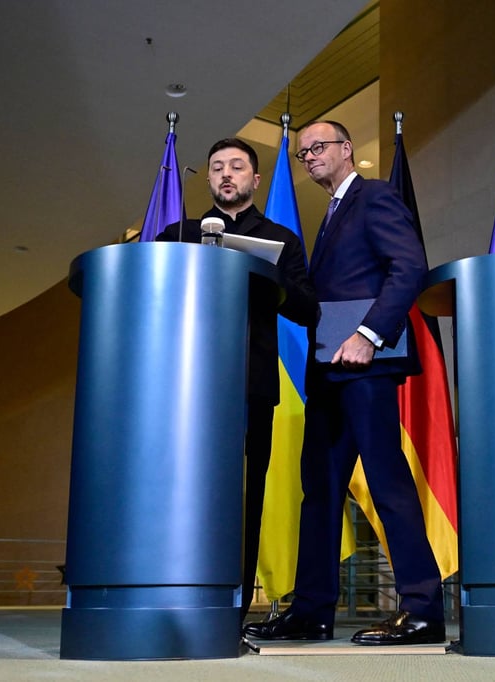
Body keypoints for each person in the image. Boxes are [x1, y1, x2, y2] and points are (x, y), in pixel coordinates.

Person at [243, 121, 445, 645]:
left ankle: (423, 609)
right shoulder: (329, 214)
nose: (308, 156)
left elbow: (409, 267)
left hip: (366, 364)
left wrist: (369, 335)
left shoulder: (374, 197)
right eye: (302, 152)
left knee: (386, 481)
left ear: (347, 149)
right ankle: (312, 611)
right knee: (321, 488)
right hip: (327, 368)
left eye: (318, 147)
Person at [156, 138, 319, 623]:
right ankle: (175, 597)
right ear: (208, 179)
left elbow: (310, 310)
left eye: (237, 167)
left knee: (246, 500)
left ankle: (234, 609)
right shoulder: (177, 234)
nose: (226, 174)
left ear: (255, 179)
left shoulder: (281, 240)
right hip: (186, 391)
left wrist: (267, 278)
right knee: (180, 491)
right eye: (218, 168)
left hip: (251, 389)